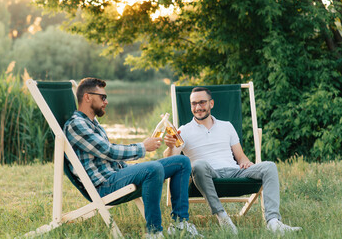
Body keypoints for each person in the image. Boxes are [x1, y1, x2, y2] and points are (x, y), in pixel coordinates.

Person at [63, 78, 202, 238]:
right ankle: (154, 232)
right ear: (87, 97)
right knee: (153, 168)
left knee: (182, 162)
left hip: (116, 175)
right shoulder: (77, 125)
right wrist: (143, 147)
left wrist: (135, 167)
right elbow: (108, 151)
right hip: (104, 186)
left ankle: (180, 223)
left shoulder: (93, 123)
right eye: (103, 97)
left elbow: (108, 157)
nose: (106, 102)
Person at [163, 87, 302, 235]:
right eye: (194, 103)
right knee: (197, 164)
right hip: (206, 174)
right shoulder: (183, 131)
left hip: (234, 172)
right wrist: (171, 146)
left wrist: (246, 163)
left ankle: (273, 222)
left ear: (211, 103)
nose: (198, 107)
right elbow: (172, 160)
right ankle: (222, 217)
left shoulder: (227, 126)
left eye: (202, 102)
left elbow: (241, 157)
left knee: (269, 166)